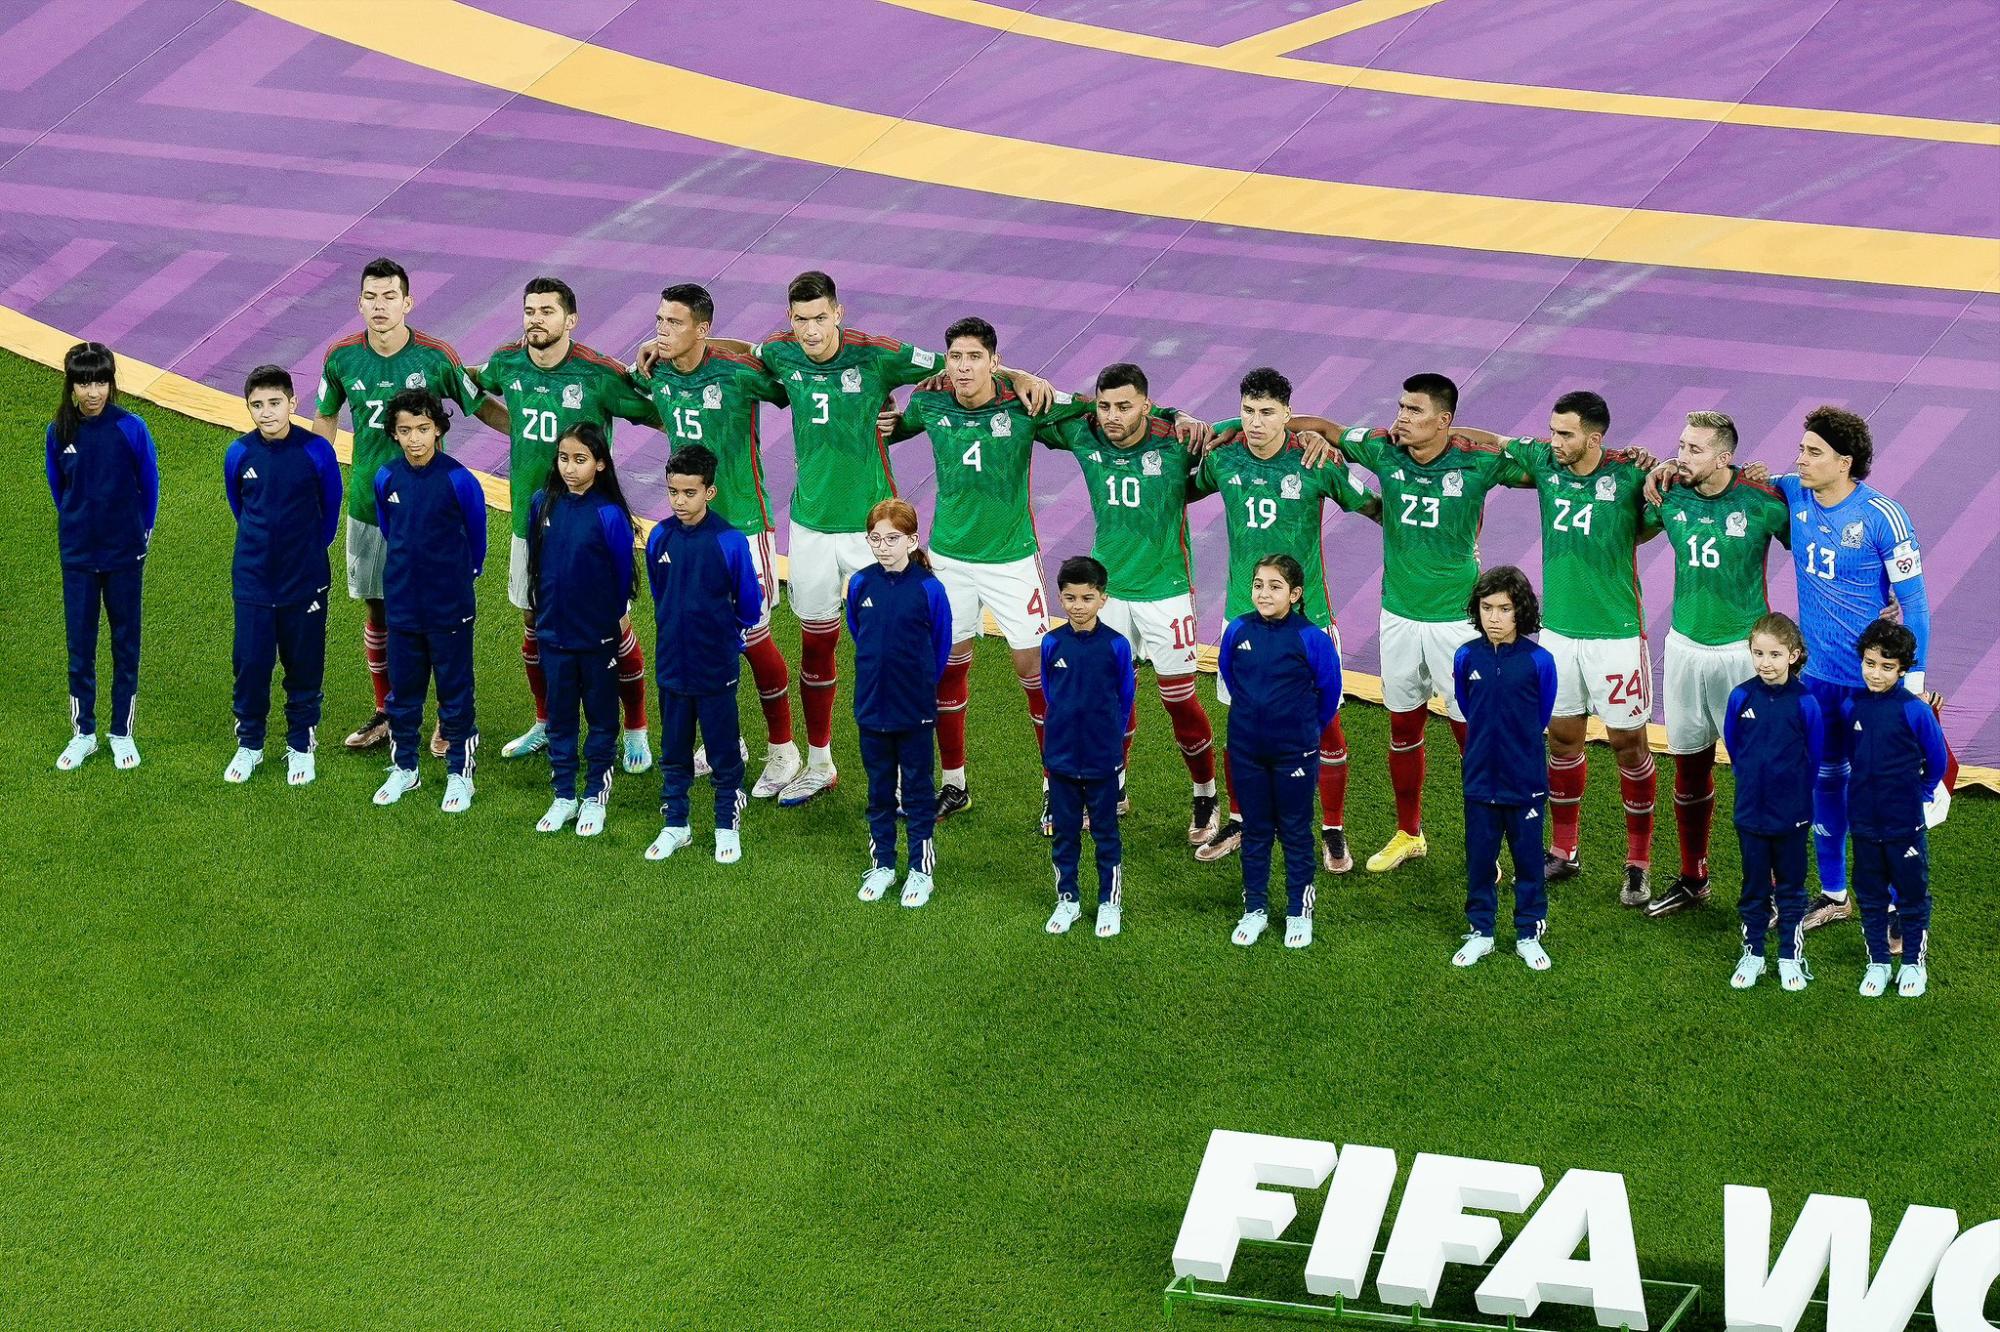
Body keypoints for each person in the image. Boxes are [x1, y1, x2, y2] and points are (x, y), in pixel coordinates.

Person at [749, 271, 1047, 808]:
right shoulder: (779, 351)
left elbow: (958, 368)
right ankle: (818, 763)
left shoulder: (880, 354)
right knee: (816, 644)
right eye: (801, 320)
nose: (811, 331)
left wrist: (1019, 373)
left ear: (839, 313)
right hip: (809, 527)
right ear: (789, 319)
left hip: (875, 530)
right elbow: (735, 352)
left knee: (897, 652)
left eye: (820, 318)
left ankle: (912, 775)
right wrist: (666, 343)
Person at [1319, 374, 1535, 873]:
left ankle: (1488, 846)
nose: (1401, 417)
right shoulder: (1383, 450)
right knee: (1402, 728)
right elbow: (1327, 429)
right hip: (1397, 617)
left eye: (1414, 410)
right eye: (1400, 406)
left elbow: (1545, 467)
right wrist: (1297, 433)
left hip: (1457, 625)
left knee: (1472, 737)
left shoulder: (1476, 461)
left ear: (1444, 420)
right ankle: (1408, 833)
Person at [882, 316, 1084, 821]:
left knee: (1034, 672)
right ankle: (954, 785)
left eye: (975, 357)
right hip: (948, 561)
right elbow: (894, 427)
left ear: (994, 362)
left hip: (1011, 562)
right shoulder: (929, 401)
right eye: (956, 357)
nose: (964, 367)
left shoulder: (1025, 403)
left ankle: (1056, 786)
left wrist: (1025, 378)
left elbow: (1090, 407)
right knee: (947, 668)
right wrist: (883, 417)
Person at [1467, 393, 1659, 906]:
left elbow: (1671, 495)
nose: (1554, 441)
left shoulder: (1631, 473)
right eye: (1552, 430)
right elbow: (1493, 441)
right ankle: (1564, 850)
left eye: (1565, 434)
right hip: (1557, 635)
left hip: (1617, 636)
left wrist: (1660, 465)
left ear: (1594, 438)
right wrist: (1437, 432)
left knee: (1629, 745)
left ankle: (1638, 863)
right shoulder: (1544, 462)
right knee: (1563, 740)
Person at [1190, 368, 1379, 871]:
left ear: (1288, 415)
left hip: (1309, 621)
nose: (1255, 423)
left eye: (1267, 413)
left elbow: (1376, 508)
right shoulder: (1223, 458)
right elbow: (1177, 489)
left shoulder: (1316, 461)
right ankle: (1239, 819)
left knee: (1326, 726)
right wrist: (1221, 428)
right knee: (1242, 722)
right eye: (1247, 411)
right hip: (1242, 619)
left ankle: (1333, 829)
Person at [312, 257, 502, 751]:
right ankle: (389, 712)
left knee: (437, 618)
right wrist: (315, 478)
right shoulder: (341, 357)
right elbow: (325, 418)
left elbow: (479, 404)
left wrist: (529, 437)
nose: (380, 306)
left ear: (408, 302)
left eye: (389, 297)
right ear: (359, 303)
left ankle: (448, 717)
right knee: (378, 612)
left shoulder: (436, 358)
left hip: (430, 512)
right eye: (371, 297)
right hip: (368, 508)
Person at [477, 276, 659, 774]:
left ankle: (636, 727)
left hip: (591, 528)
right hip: (530, 523)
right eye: (529, 310)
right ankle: (545, 721)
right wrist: (504, 420)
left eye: (547, 311)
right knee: (533, 622)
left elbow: (658, 414)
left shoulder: (598, 373)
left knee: (613, 624)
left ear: (571, 320)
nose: (536, 319)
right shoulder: (507, 363)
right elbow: (474, 385)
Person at [1035, 363, 1220, 845]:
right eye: (1104, 406)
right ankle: (1113, 786)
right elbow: (1034, 404)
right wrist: (1015, 374)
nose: (1112, 416)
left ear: (1146, 405)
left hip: (1166, 593)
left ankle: (1205, 794)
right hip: (1107, 592)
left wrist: (1179, 415)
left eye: (1124, 406)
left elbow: (1246, 430)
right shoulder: (1084, 432)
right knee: (1108, 696)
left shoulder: (1176, 439)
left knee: (1179, 700)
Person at [635, 283, 801, 799]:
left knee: (753, 637)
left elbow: (790, 381)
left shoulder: (738, 372)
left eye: (674, 323)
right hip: (689, 530)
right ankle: (727, 741)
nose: (662, 331)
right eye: (659, 321)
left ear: (702, 329)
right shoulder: (656, 371)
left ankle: (784, 750)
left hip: (744, 528)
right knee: (706, 634)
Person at [1771, 407, 1933, 935]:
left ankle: (1896, 906)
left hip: (1873, 686)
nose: (1800, 459)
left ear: (1845, 462)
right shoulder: (1793, 492)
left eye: (1813, 452)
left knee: (1881, 795)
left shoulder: (1884, 517)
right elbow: (1736, 479)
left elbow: (1916, 606)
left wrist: (1912, 685)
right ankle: (1835, 894)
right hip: (1816, 680)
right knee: (1824, 781)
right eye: (1801, 449)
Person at [1638, 411, 1790, 919]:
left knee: (1756, 774)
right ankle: (1693, 877)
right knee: (1689, 765)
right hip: (1683, 648)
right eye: (1681, 445)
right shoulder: (1670, 494)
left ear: (1725, 457)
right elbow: (1629, 530)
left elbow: (1811, 547)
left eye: (1695, 449)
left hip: (1742, 656)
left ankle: (1769, 888)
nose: (1682, 456)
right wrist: (1649, 469)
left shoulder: (1762, 501)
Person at [644, 444, 765, 864]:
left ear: (709, 492)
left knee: (723, 752)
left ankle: (726, 826)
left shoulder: (729, 542)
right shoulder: (658, 537)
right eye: (673, 492)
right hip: (671, 666)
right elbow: (660, 594)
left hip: (715, 668)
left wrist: (723, 637)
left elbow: (749, 605)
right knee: (674, 751)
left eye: (689, 493)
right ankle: (676, 825)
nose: (680, 501)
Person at [222, 365, 342, 786]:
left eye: (275, 403)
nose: (267, 412)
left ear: (292, 402)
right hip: (253, 580)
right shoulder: (239, 453)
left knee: (304, 666)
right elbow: (240, 507)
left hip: (305, 580)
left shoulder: (317, 451)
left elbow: (330, 511)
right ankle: (250, 744)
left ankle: (301, 746)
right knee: (251, 665)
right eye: (257, 405)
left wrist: (306, 553)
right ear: (248, 407)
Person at [370, 389, 488, 813]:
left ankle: (460, 774)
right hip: (402, 604)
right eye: (405, 431)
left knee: (455, 693)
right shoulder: (386, 477)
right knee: (403, 694)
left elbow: (477, 542)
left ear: (438, 429)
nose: (414, 438)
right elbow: (390, 530)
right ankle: (405, 768)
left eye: (423, 429)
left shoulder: (459, 480)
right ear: (394, 434)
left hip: (449, 606)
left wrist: (455, 581)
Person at [1217, 554, 1343, 949]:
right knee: (1255, 829)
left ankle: (1298, 912)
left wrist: (1302, 731)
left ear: (1295, 593)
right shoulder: (1237, 630)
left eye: (1275, 586)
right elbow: (1231, 677)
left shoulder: (1311, 639)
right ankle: (1254, 908)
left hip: (1294, 752)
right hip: (1246, 749)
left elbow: (1329, 692)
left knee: (1294, 831)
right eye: (1258, 585)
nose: (1264, 593)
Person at [47, 341, 158, 772]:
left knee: (125, 643)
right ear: (71, 385)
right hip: (78, 556)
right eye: (84, 383)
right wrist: (79, 528)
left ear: (111, 383)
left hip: (124, 555)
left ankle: (121, 732)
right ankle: (84, 733)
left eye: (100, 382)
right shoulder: (59, 432)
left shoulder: (132, 428)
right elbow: (60, 489)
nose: (93, 392)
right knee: (80, 646)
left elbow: (149, 486)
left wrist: (140, 534)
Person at [528, 423, 638, 838]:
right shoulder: (542, 503)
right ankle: (563, 795)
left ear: (600, 464)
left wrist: (608, 622)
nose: (570, 468)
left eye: (580, 459)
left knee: (601, 718)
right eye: (564, 458)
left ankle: (594, 795)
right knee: (559, 717)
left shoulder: (609, 515)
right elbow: (536, 564)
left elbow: (622, 577)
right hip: (553, 634)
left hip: (596, 637)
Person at [847, 498, 954, 907]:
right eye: (875, 539)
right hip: (871, 707)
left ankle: (920, 871)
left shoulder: (929, 589)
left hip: (914, 710)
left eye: (892, 539)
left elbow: (940, 646)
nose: (883, 547)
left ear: (911, 540)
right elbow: (858, 632)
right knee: (878, 791)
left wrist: (918, 685)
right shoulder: (860, 584)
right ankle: (883, 865)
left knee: (917, 791)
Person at [1451, 566, 1559, 970]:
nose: (1493, 618)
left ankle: (1529, 933)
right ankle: (1481, 931)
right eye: (1486, 608)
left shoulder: (1539, 661)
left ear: (1520, 611)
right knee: (1480, 860)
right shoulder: (1466, 656)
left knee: (1529, 862)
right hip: (1479, 780)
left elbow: (1542, 714)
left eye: (1504, 609)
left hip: (1525, 781)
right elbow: (1467, 706)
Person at [1844, 620, 1949, 999]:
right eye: (1870, 663)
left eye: (1887, 667)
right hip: (1863, 821)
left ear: (1902, 669)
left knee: (1911, 892)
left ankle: (1913, 964)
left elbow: (1937, 761)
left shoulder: (1915, 711)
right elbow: (1852, 755)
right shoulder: (1851, 706)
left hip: (1904, 822)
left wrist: (1920, 791)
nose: (1876, 673)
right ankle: (1878, 961)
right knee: (1871, 893)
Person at [1722, 613, 1823, 991]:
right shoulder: (1741, 696)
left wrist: (1795, 796)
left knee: (1791, 888)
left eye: (1775, 654)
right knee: (1754, 886)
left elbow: (1815, 757)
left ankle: (1789, 956)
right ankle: (1753, 953)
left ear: (1793, 656)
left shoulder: (1805, 703)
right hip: (1750, 812)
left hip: (1792, 813)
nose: (1765, 662)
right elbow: (1734, 746)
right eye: (1759, 653)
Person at [1040, 556, 1137, 938]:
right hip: (1062, 759)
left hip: (1102, 760)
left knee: (1105, 833)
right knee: (1064, 834)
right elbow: (1050, 692)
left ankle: (1110, 903)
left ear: (1102, 598)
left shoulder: (1116, 645)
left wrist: (1108, 737)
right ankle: (1068, 900)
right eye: (1070, 598)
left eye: (1087, 598)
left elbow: (1125, 697)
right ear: (1060, 598)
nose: (1078, 606)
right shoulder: (1052, 642)